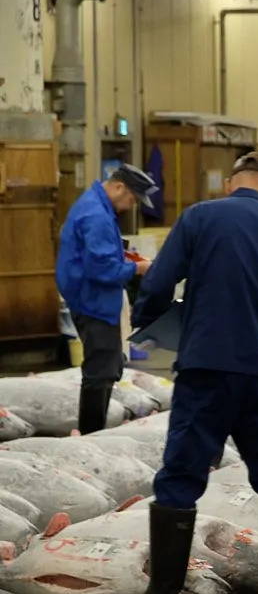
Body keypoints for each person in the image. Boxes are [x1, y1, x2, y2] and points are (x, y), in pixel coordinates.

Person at [114, 152, 258, 594]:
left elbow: (159, 282)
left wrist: (150, 321)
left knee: (181, 479)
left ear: (229, 184)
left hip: (205, 371)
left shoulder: (200, 216)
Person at [56, 164, 156, 435]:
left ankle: (93, 431)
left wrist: (126, 259)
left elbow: (100, 256)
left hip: (90, 298)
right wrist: (138, 268)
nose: (130, 206)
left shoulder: (95, 204)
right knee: (101, 371)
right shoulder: (96, 215)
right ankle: (91, 436)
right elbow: (102, 270)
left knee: (106, 366)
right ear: (119, 186)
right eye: (132, 199)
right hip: (93, 301)